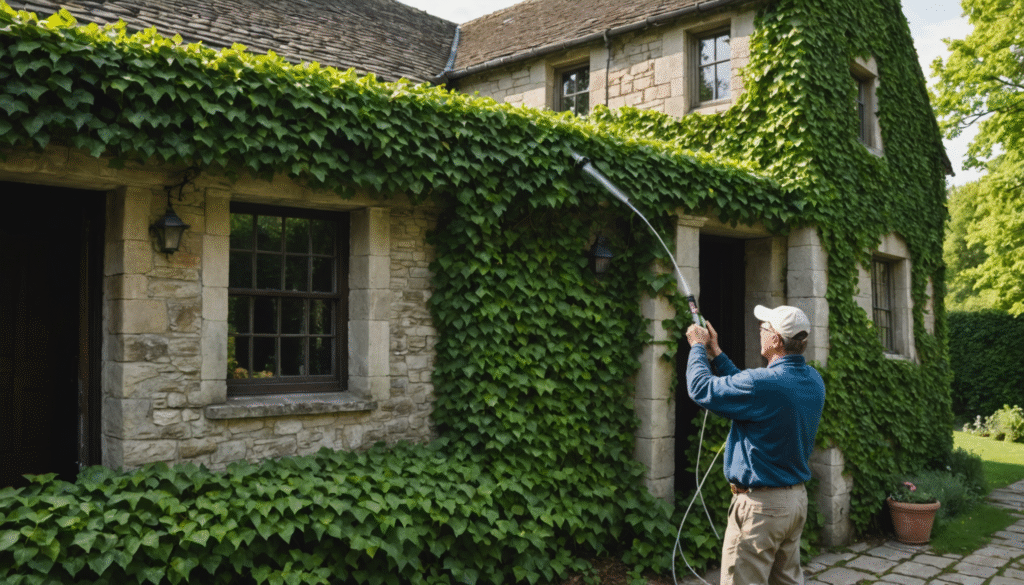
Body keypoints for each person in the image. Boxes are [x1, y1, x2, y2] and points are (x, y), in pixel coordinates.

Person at [685, 305, 825, 585]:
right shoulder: (813, 380)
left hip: (761, 510)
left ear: (776, 340)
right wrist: (717, 354)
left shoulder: (763, 384)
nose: (759, 331)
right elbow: (753, 394)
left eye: (764, 328)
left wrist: (698, 346)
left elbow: (701, 388)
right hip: (794, 503)